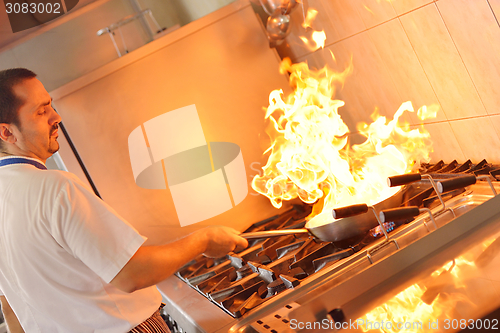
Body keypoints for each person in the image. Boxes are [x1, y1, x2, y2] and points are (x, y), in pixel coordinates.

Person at [0, 68, 248, 333]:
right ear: (6, 133)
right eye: (41, 111)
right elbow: (131, 274)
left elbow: (9, 304)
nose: (56, 117)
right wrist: (204, 239)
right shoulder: (56, 188)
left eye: (51, 106)